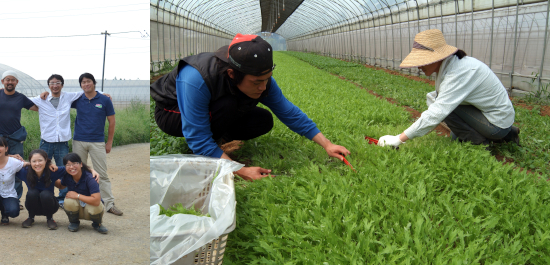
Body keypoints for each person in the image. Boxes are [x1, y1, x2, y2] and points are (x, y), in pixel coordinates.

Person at [151, 33, 350, 181]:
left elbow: (288, 111)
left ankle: (219, 144)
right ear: (232, 74)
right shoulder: (197, 77)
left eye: (267, 80)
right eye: (256, 82)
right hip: (173, 113)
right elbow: (197, 136)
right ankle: (213, 149)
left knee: (262, 120)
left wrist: (327, 144)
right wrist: (240, 170)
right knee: (226, 106)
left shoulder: (261, 81)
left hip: (217, 109)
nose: (263, 87)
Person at [376, 29, 520, 148]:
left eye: (422, 61)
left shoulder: (459, 72)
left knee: (443, 108)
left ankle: (481, 143)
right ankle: (508, 134)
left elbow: (437, 112)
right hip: (494, 115)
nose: (419, 66)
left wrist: (399, 139)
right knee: (454, 136)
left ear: (438, 57)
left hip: (497, 121)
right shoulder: (452, 65)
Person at [0, 71, 37, 210]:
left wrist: (47, 99)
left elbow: (37, 107)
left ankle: (15, 199)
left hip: (15, 137)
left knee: (18, 167)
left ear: (16, 82)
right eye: (7, 79)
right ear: (2, 81)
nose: (10, 82)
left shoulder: (21, 98)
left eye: (13, 80)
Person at [70, 73, 120, 216]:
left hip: (97, 141)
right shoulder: (78, 99)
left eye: (88, 81)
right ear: (81, 85)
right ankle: (81, 202)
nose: (86, 84)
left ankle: (109, 203)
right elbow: (61, 97)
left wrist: (109, 142)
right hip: (79, 140)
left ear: (94, 82)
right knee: (78, 172)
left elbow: (112, 121)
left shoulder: (104, 100)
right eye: (83, 82)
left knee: (102, 173)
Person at [30, 74, 84, 207]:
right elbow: (23, 100)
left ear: (62, 85)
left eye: (58, 83)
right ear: (48, 86)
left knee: (65, 169)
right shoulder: (41, 99)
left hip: (62, 142)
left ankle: (62, 198)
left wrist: (104, 93)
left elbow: (86, 91)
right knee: (40, 167)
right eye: (52, 83)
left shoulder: (68, 97)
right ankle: (40, 195)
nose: (55, 85)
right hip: (46, 141)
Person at [18, 149, 101, 230]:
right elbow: (8, 167)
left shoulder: (53, 170)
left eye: (40, 160)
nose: (37, 164)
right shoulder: (25, 171)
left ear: (46, 160)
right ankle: (30, 217)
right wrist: (23, 163)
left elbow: (72, 168)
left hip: (50, 204)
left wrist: (91, 170)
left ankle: (50, 218)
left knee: (45, 194)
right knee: (32, 193)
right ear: (30, 162)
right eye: (34, 161)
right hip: (32, 205)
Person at [55, 153, 107, 234]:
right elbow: (61, 185)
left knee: (96, 205)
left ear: (81, 164)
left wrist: (77, 195)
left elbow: (96, 200)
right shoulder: (67, 175)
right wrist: (51, 178)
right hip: (78, 206)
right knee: (68, 200)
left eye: (74, 164)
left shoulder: (90, 178)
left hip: (89, 207)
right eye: (68, 164)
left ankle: (97, 223)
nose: (71, 167)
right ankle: (74, 222)